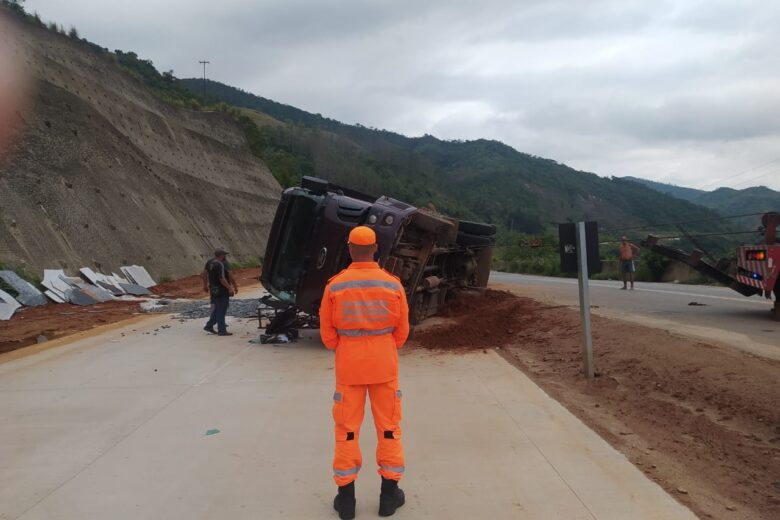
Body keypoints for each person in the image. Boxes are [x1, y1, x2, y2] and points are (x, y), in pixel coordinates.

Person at [319, 226, 410, 519]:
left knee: (346, 432)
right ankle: (388, 497)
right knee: (388, 429)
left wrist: (346, 348)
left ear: (349, 249)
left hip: (350, 368)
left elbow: (327, 333)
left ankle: (346, 501)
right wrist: (383, 346)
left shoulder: (335, 286)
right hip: (384, 366)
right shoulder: (393, 285)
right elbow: (402, 332)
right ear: (375, 249)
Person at [201, 248, 238, 336]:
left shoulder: (209, 262)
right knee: (221, 309)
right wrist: (230, 288)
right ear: (221, 255)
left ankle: (209, 325)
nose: (225, 256)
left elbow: (204, 274)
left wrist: (205, 285)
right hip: (222, 290)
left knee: (217, 308)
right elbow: (223, 279)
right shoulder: (220, 264)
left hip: (213, 289)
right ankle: (222, 330)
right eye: (224, 255)